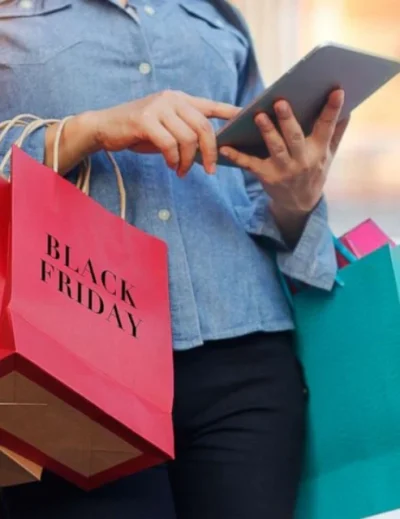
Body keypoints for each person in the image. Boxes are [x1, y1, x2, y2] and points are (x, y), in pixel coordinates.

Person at [0, 0, 349, 518]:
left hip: (245, 357)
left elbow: (257, 195)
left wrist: (297, 194)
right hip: (69, 363)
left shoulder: (216, 15)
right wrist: (88, 130)